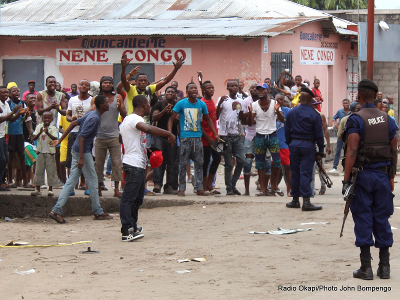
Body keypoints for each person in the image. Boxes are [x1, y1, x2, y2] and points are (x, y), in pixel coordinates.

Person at [342, 79, 398, 280]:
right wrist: (390, 175)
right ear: (375, 97)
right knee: (382, 217)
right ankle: (384, 267)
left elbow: (352, 150)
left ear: (359, 96)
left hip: (362, 176)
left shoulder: (355, 119)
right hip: (382, 175)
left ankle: (366, 268)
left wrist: (346, 180)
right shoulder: (388, 120)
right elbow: (394, 149)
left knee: (363, 217)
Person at [119, 95, 176, 241]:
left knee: (137, 198)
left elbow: (122, 138)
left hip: (136, 162)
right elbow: (147, 129)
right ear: (144, 104)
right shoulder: (134, 119)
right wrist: (168, 133)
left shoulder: (128, 120)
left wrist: (143, 148)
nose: (150, 107)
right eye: (149, 105)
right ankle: (127, 230)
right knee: (128, 198)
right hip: (133, 164)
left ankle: (133, 225)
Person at [48, 95, 113, 223]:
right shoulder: (94, 118)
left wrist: (59, 140)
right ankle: (97, 212)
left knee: (72, 180)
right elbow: (82, 137)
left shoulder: (92, 114)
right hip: (82, 151)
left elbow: (73, 123)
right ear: (101, 105)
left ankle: (57, 210)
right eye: (106, 102)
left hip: (77, 149)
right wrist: (82, 158)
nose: (108, 104)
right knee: (93, 180)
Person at [168, 82, 219, 196]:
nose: (194, 90)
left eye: (195, 88)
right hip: (185, 138)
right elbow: (171, 118)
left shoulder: (201, 104)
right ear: (187, 92)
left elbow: (209, 119)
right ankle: (182, 189)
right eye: (191, 88)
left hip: (198, 138)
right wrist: (170, 133)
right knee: (183, 163)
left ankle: (199, 188)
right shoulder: (181, 103)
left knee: (199, 163)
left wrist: (215, 134)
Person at [285, 86, 324, 211]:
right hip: (308, 145)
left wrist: (290, 143)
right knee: (306, 173)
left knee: (295, 172)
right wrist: (321, 151)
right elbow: (319, 135)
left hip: (294, 145)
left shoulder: (291, 112)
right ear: (311, 99)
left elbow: (287, 131)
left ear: (300, 98)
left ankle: (295, 200)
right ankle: (306, 201)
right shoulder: (315, 114)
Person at [92, 76, 126, 198]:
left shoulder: (117, 97)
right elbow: (91, 113)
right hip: (99, 136)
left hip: (114, 135)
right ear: (101, 85)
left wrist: (119, 106)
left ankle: (116, 190)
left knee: (117, 163)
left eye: (110, 83)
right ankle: (99, 188)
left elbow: (124, 114)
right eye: (105, 83)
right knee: (99, 164)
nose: (108, 85)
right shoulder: (96, 98)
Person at [248, 83, 284, 196]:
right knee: (260, 164)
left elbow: (283, 120)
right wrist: (250, 113)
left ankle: (273, 185)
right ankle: (263, 188)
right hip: (259, 136)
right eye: (259, 90)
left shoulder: (274, 103)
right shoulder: (254, 105)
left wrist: (277, 110)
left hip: (272, 135)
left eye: (263, 90)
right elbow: (249, 123)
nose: (260, 92)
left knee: (277, 162)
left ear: (268, 91)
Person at [217, 80, 245, 195]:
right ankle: (229, 188)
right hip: (225, 135)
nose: (234, 88)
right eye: (232, 86)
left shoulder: (241, 100)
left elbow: (241, 117)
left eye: (236, 86)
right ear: (228, 88)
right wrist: (219, 103)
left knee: (242, 160)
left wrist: (242, 130)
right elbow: (216, 114)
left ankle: (232, 185)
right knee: (228, 163)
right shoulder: (223, 99)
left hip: (237, 135)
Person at [65, 79, 92, 191]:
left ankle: (83, 183)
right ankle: (71, 185)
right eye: (82, 84)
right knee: (71, 160)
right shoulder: (72, 100)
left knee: (85, 159)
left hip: (87, 133)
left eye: (86, 85)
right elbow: (68, 116)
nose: (84, 86)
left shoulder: (92, 100)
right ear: (78, 86)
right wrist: (72, 119)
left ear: (89, 88)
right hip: (74, 131)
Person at [152, 86, 179, 194]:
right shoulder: (160, 103)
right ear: (165, 93)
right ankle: (157, 184)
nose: (170, 93)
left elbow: (178, 120)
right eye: (168, 92)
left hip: (172, 136)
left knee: (172, 162)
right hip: (159, 136)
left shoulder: (178, 105)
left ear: (175, 95)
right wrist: (164, 111)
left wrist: (174, 115)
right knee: (158, 160)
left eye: (173, 92)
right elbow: (154, 117)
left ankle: (170, 186)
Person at [199, 79, 221, 194]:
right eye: (209, 88)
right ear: (203, 90)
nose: (212, 90)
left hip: (214, 137)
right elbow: (199, 122)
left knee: (217, 158)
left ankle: (209, 183)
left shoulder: (212, 101)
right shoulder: (202, 103)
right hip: (205, 138)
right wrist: (207, 136)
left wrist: (216, 134)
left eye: (212, 88)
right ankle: (203, 186)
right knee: (205, 161)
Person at [7, 86, 31, 187]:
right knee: (11, 156)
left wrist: (25, 113)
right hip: (10, 133)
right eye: (14, 91)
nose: (16, 92)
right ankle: (10, 181)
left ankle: (24, 181)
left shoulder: (22, 103)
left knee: (22, 155)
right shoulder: (8, 104)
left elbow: (24, 118)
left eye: (18, 91)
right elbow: (11, 118)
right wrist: (17, 112)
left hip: (20, 132)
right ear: (10, 94)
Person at [30, 112, 59, 196]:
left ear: (52, 119)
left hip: (50, 152)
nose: (46, 120)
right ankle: (37, 189)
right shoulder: (39, 127)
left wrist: (47, 133)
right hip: (40, 152)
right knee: (38, 170)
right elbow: (34, 138)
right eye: (45, 118)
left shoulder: (53, 128)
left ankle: (50, 189)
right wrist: (40, 132)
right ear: (42, 119)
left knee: (51, 170)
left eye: (48, 118)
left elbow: (55, 138)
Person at [0, 86, 21, 191]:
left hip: (2, 135)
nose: (5, 95)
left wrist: (18, 113)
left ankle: (2, 182)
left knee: (5, 159)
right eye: (3, 93)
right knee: (2, 159)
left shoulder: (5, 105)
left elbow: (10, 119)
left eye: (6, 93)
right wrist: (14, 111)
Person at [242, 83, 258, 196]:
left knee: (264, 161)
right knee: (247, 161)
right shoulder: (245, 102)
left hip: (262, 133)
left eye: (256, 88)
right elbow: (243, 119)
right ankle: (247, 190)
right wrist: (251, 114)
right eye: (252, 88)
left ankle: (263, 188)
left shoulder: (265, 101)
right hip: (249, 134)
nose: (254, 90)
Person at [275, 94, 292, 196]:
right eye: (277, 99)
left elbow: (288, 123)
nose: (279, 101)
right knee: (273, 167)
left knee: (287, 167)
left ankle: (289, 190)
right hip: (273, 142)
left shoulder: (286, 110)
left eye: (281, 99)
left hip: (284, 143)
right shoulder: (269, 109)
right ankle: (272, 187)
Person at [328, 99, 350, 174]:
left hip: (349, 134)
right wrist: (336, 125)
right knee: (338, 150)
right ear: (342, 104)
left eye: (347, 103)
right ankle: (334, 167)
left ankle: (346, 168)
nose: (345, 104)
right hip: (341, 134)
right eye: (344, 103)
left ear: (349, 103)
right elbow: (334, 118)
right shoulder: (340, 112)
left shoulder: (351, 112)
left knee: (347, 151)